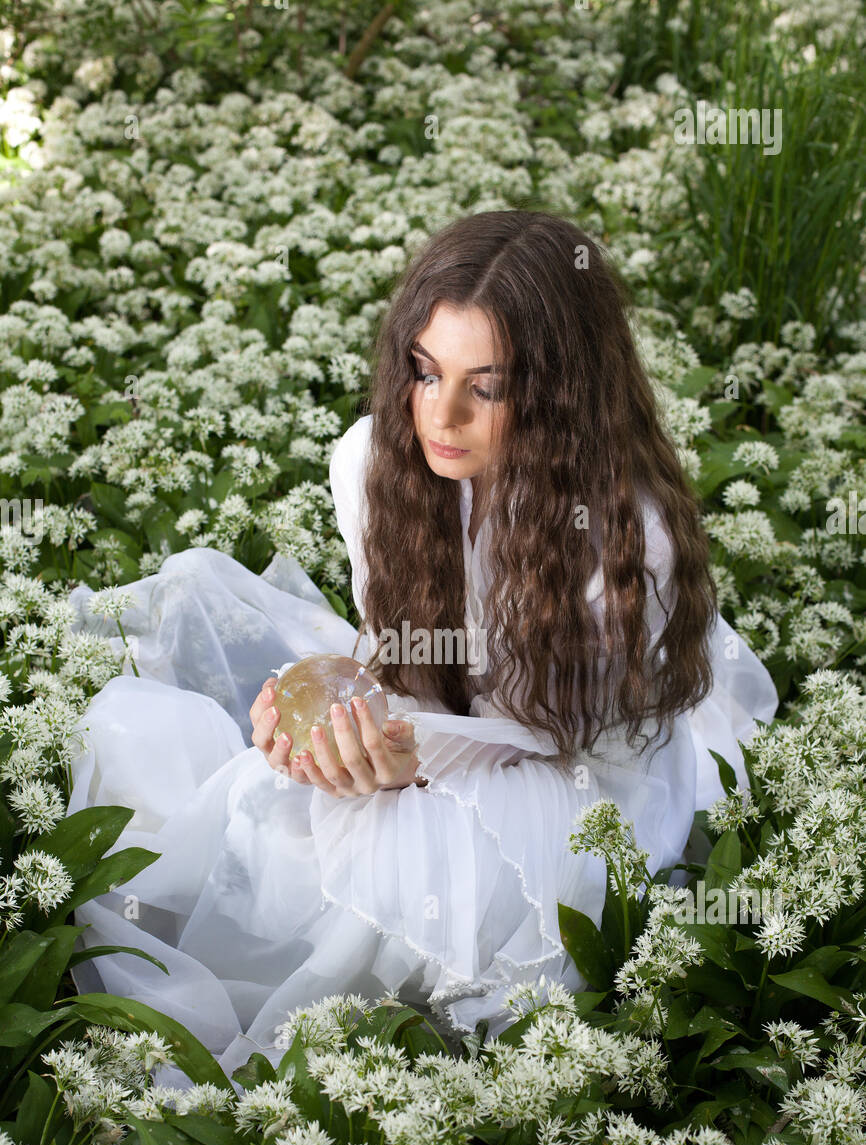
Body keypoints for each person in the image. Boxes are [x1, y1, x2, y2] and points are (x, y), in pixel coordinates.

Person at [66, 210, 779, 1087]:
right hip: (456, 736)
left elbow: (564, 753)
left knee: (400, 862)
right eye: (426, 371)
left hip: (577, 782)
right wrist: (338, 729)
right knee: (276, 795)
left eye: (488, 386)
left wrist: (408, 767)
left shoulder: (626, 544)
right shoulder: (377, 461)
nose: (442, 416)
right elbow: (406, 667)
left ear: (561, 395)